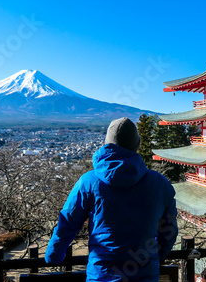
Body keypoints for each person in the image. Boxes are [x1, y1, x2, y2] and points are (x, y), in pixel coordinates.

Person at [45, 117, 178, 281]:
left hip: (102, 274)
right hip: (144, 274)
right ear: (136, 145)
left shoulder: (89, 181)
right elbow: (169, 230)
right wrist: (156, 255)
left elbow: (67, 222)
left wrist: (54, 256)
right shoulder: (159, 183)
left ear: (107, 144)